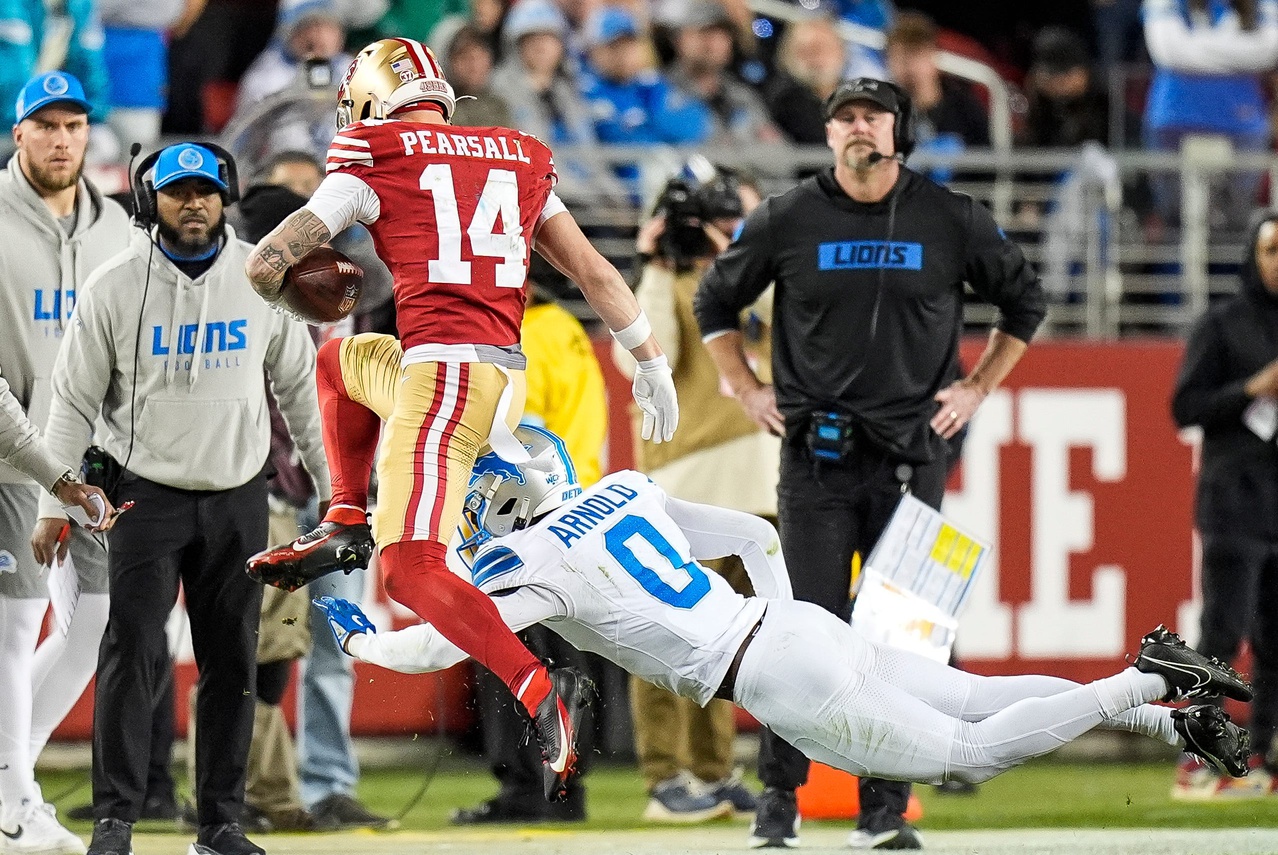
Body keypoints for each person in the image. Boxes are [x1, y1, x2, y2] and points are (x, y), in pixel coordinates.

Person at [314, 427, 1253, 824]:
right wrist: (777, 615)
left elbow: (439, 640)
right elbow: (756, 534)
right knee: (971, 692)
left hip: (766, 667)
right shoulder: (619, 488)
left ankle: (1145, 681)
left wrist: (354, 634)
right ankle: (1172, 714)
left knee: (968, 749)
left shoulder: (528, 561)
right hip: (785, 621)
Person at [241, 37, 679, 804]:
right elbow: (596, 272)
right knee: (340, 367)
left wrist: (293, 290)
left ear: (373, 96)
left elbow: (267, 261)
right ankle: (347, 514)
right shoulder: (518, 151)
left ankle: (540, 691)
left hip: (443, 373)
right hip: (499, 371)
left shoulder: (372, 146)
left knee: (411, 566)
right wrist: (651, 364)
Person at [693, 77, 1047, 850]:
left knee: (901, 644)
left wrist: (979, 385)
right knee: (800, 637)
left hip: (914, 457)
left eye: (873, 116)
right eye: (845, 117)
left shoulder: (949, 217)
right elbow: (713, 303)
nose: (860, 128)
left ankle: (882, 813)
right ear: (827, 134)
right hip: (814, 462)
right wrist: (745, 386)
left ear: (899, 129)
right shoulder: (788, 217)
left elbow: (1025, 302)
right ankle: (776, 802)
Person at [33, 142, 330, 855]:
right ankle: (116, 819)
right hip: (145, 497)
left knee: (233, 656)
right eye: (176, 192)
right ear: (149, 202)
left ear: (224, 195)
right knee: (131, 652)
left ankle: (221, 822)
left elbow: (300, 390)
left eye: (203, 191)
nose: (192, 203)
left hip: (237, 494)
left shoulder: (263, 276)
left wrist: (335, 485)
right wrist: (53, 500)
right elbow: (72, 402)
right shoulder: (113, 284)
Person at [613, 161, 771, 823]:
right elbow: (637, 359)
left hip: (760, 475)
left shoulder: (752, 274)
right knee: (667, 628)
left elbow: (778, 324)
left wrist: (737, 247)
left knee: (732, 640)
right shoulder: (667, 282)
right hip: (687, 477)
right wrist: (653, 263)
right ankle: (665, 776)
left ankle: (713, 768)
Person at [0, 70, 132, 855]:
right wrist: (44, 463)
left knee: (95, 622)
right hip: (9, 456)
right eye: (44, 124)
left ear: (90, 134)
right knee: (14, 626)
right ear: (17, 132)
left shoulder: (116, 228)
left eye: (73, 124)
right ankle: (16, 802)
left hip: (87, 464)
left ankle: (8, 775)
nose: (60, 138)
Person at [452, 256, 610, 824]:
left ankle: (526, 785)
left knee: (509, 655)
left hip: (521, 521)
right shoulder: (566, 331)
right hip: (577, 516)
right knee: (566, 654)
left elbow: (510, 440)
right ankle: (565, 789)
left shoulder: (519, 345)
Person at [1170, 209, 1278, 799]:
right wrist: (1252, 389)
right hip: (1234, 501)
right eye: (1271, 250)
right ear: (1252, 257)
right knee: (1221, 632)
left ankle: (1259, 755)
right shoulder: (1224, 324)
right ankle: (1201, 759)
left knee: (1275, 642)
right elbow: (1184, 406)